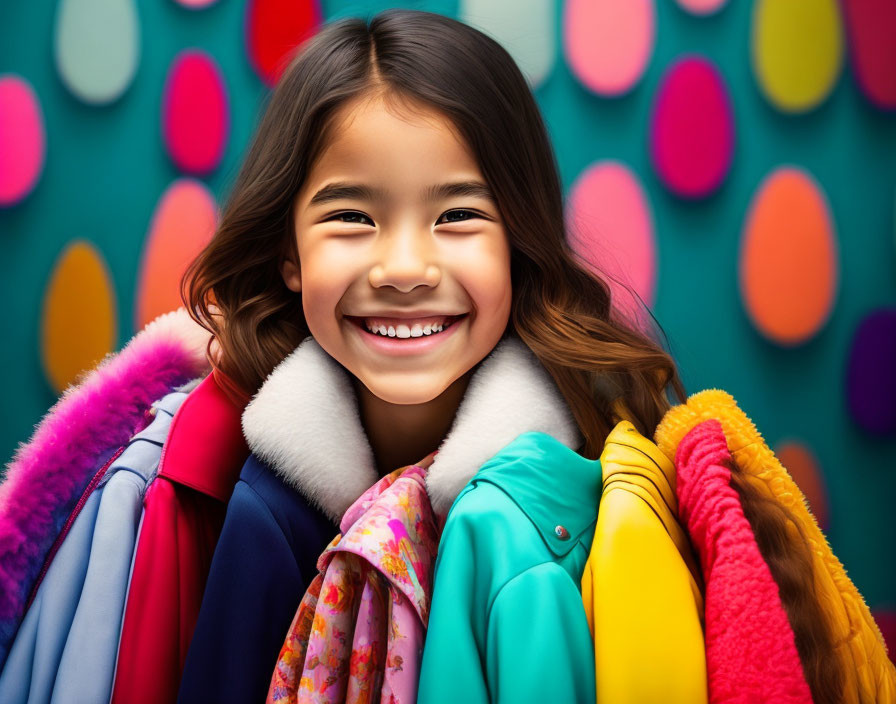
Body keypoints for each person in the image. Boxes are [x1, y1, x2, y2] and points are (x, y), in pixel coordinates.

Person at [3, 8, 873, 704]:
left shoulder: (591, 517)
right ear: (289, 253)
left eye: (458, 215)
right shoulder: (206, 495)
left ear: (519, 246)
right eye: (352, 216)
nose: (407, 269)